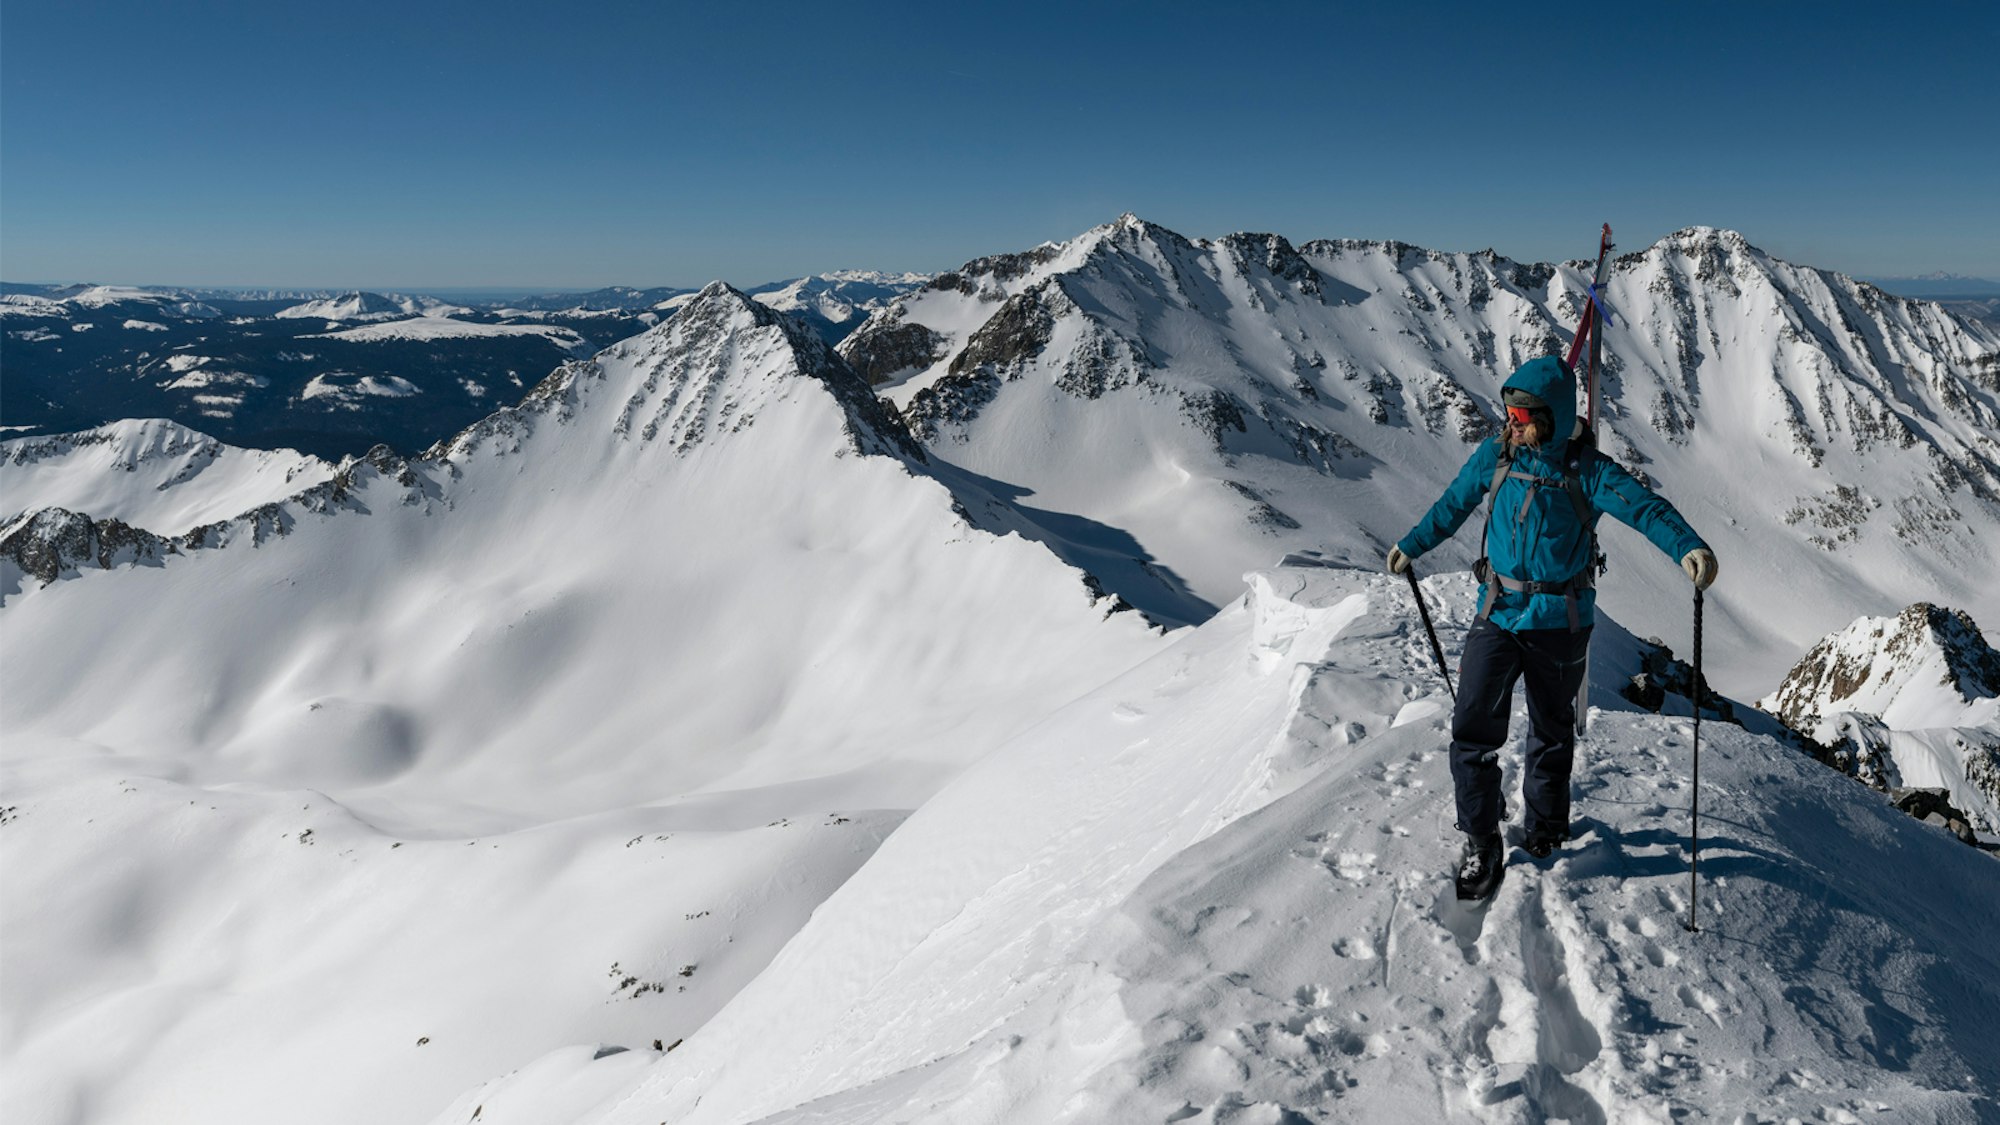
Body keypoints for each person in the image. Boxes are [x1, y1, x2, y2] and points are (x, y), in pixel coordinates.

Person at [1388, 356, 1716, 900]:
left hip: (1560, 624)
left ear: (1553, 417)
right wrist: (1411, 546)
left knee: (1551, 731)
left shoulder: (1587, 470)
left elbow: (1645, 508)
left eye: (1522, 414)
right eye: (1509, 412)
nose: (1511, 422)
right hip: (1497, 613)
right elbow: (1452, 506)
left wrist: (1690, 546)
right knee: (1472, 729)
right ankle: (1480, 838)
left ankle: (1545, 829)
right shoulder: (1497, 456)